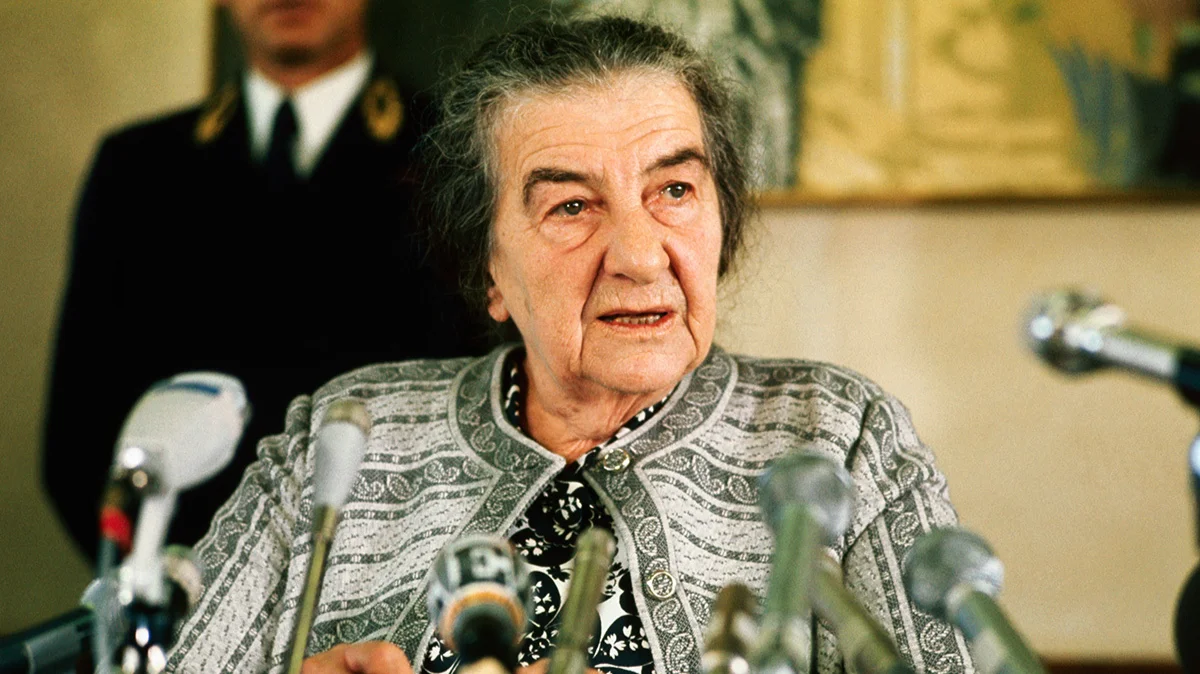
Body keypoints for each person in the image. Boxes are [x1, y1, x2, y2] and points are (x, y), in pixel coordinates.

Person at [165, 15, 974, 674]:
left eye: (675, 189)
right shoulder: (347, 434)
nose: (640, 256)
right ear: (488, 267)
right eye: (572, 207)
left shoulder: (834, 437)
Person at [42, 0, 487, 561]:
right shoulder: (137, 169)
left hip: (390, 589)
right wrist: (170, 585)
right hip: (183, 584)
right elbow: (79, 439)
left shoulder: (457, 156)